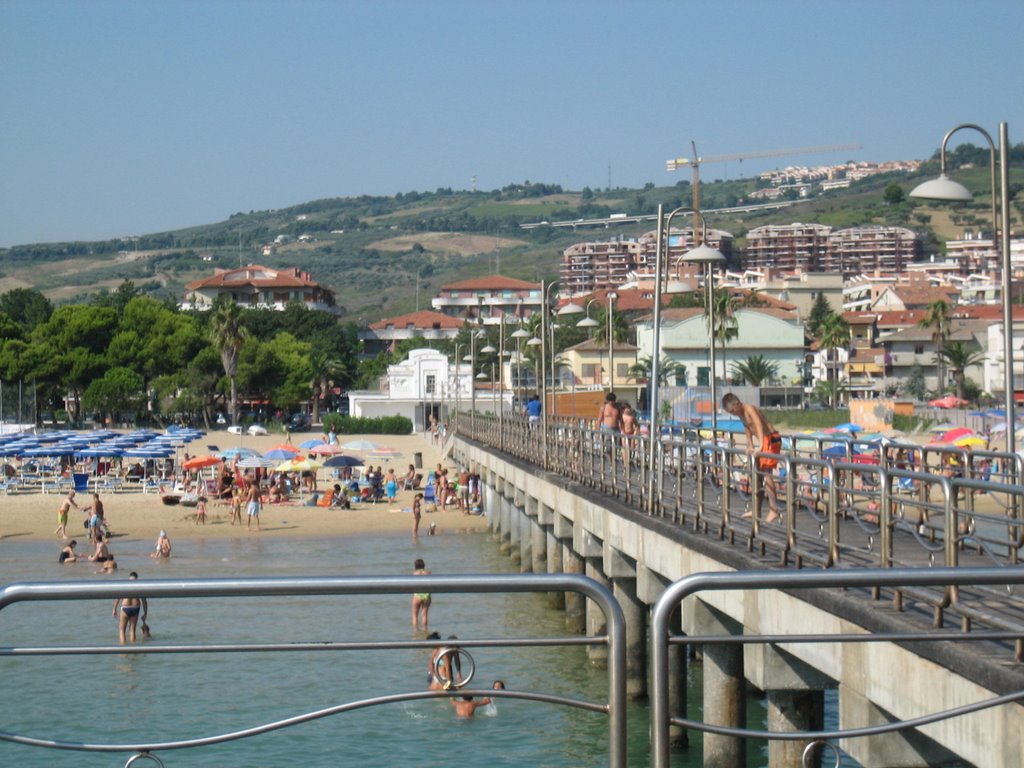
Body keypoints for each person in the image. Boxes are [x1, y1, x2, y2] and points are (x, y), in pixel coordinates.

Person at [721, 392, 781, 523]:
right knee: (756, 475)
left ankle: (773, 509)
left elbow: (758, 424)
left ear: (737, 404)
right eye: (730, 413)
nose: (733, 414)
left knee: (767, 473)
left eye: (733, 411)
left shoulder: (749, 408)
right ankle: (756, 509)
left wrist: (759, 445)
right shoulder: (741, 414)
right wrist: (750, 444)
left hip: (770, 439)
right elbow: (747, 428)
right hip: (763, 441)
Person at [112, 571, 148, 644]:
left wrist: (114, 609)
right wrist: (145, 613)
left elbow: (118, 597)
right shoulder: (140, 587)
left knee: (122, 630)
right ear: (137, 579)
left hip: (125, 607)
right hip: (135, 607)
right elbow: (144, 601)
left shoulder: (125, 585)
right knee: (132, 630)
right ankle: (133, 649)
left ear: (129, 578)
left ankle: (123, 650)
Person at [412, 558, 431, 630]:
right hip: (426, 595)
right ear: (424, 565)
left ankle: (415, 631)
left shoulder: (414, 574)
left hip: (417, 595)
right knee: (424, 615)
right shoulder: (428, 573)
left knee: (414, 615)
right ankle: (425, 630)